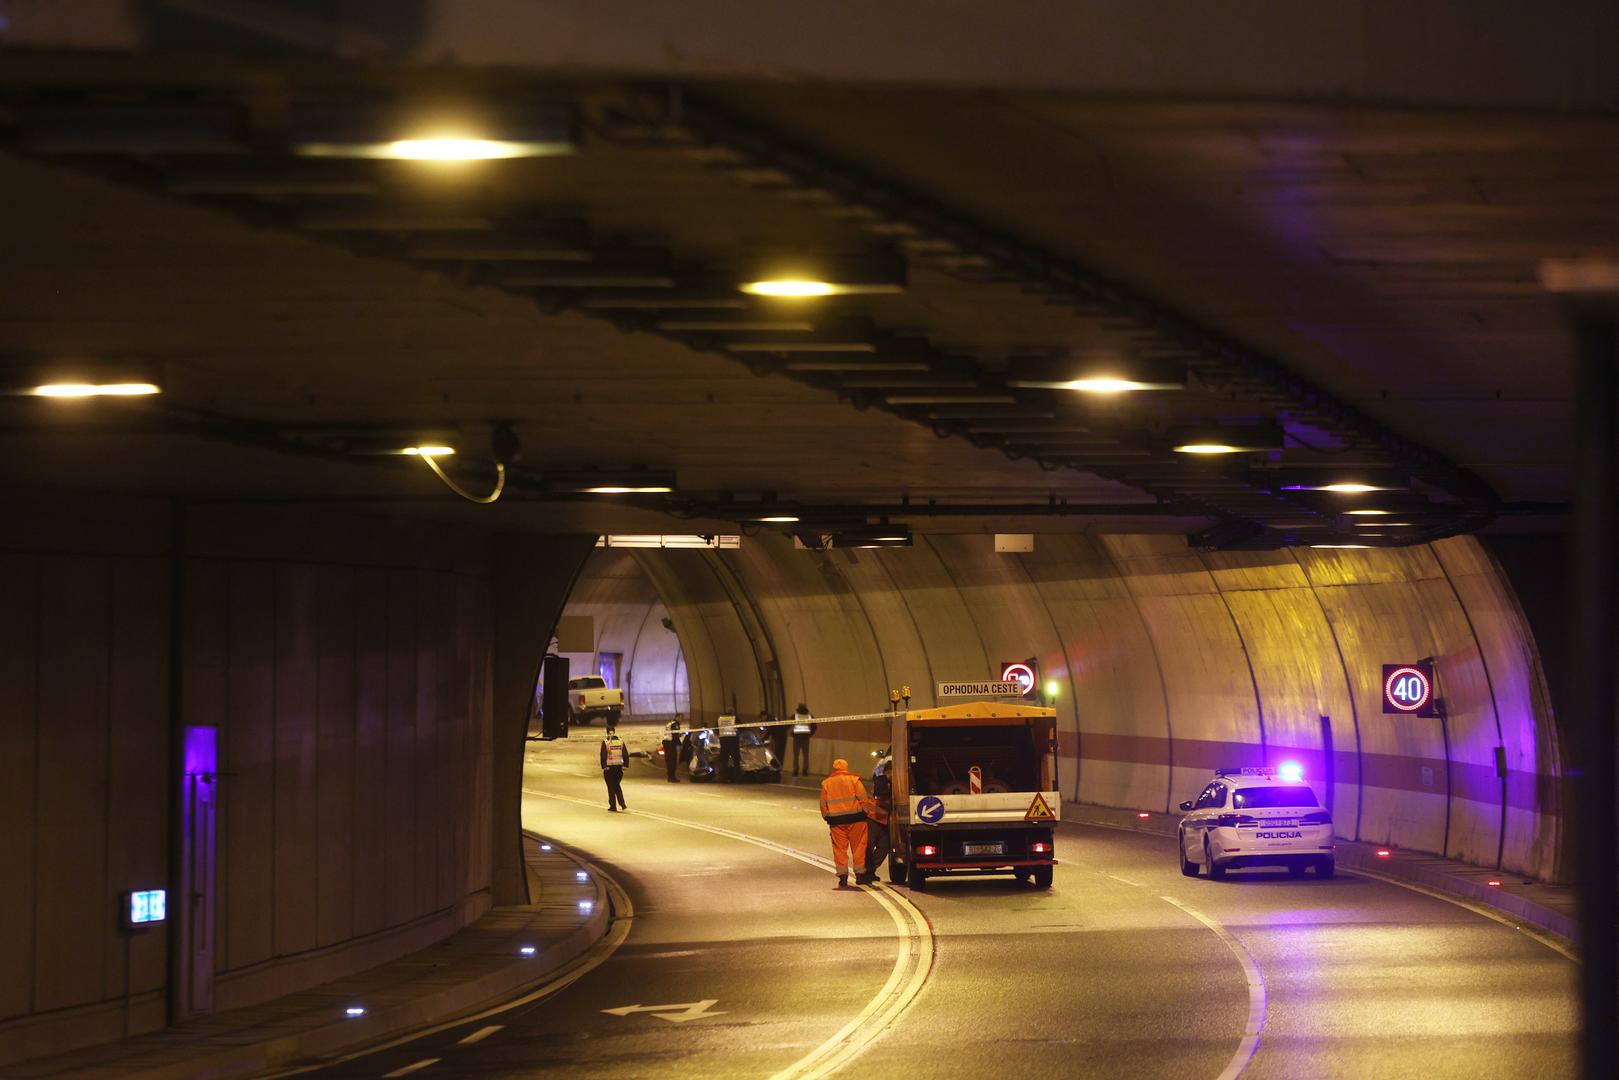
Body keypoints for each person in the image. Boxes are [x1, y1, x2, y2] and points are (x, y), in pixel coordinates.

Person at [820, 757, 871, 887]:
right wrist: (865, 812)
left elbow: (823, 803)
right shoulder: (854, 780)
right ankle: (860, 874)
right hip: (856, 819)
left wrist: (827, 816)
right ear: (845, 767)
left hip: (836, 821)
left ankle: (842, 876)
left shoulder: (827, 783)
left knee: (839, 849)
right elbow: (863, 798)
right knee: (859, 846)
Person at [866, 761, 892, 879]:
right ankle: (865, 871)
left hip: (884, 821)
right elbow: (882, 800)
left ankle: (871, 870)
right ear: (887, 772)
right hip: (874, 818)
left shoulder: (891, 782)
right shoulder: (881, 781)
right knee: (869, 847)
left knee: (884, 847)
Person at [600, 723, 628, 811]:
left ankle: (613, 806)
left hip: (609, 768)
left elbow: (603, 755)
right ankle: (622, 804)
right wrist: (625, 765)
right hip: (619, 768)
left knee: (611, 787)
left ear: (607, 732)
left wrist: (604, 766)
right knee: (616, 785)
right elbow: (625, 754)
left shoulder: (606, 742)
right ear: (614, 732)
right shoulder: (620, 741)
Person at [790, 704, 816, 777]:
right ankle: (805, 771)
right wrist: (810, 734)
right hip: (806, 738)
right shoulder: (810, 716)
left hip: (796, 738)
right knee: (805, 755)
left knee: (796, 755)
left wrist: (792, 734)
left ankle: (795, 771)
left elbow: (788, 725)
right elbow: (814, 726)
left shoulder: (795, 716)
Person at [717, 711, 741, 782]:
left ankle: (724, 778)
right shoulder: (734, 718)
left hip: (724, 743)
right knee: (736, 761)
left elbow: (716, 730)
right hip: (733, 743)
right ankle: (738, 779)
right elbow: (741, 727)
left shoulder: (720, 719)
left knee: (724, 761)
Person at [662, 715, 683, 783]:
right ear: (677, 717)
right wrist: (680, 744)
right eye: (681, 718)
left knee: (668, 760)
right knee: (672, 761)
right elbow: (675, 735)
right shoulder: (675, 724)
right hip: (670, 744)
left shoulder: (670, 723)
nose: (682, 720)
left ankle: (670, 776)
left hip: (666, 743)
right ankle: (672, 777)